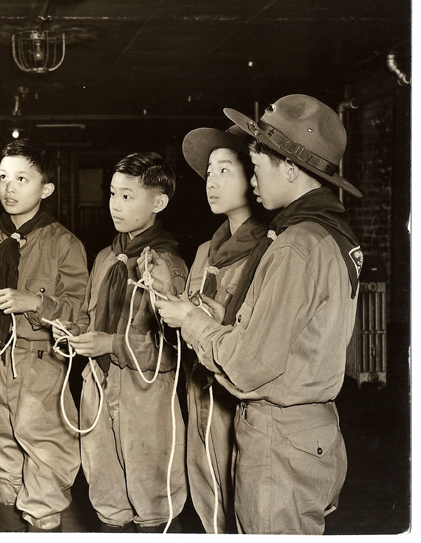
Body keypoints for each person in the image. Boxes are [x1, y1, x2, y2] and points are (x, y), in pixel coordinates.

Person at [155, 95, 363, 534]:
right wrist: (215, 318)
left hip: (278, 438)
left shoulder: (294, 245)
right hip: (312, 431)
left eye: (258, 164)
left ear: (289, 167)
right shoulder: (330, 235)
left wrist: (191, 321)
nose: (253, 179)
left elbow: (250, 366)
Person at [0, 139, 89, 532]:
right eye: (2, 178)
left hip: (41, 369)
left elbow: (79, 318)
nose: (8, 188)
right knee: (2, 473)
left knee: (46, 473)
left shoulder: (65, 245)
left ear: (45, 189)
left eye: (22, 179)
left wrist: (35, 303)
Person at [53, 152, 188, 533]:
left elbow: (169, 349)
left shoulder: (167, 265)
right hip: (98, 383)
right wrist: (72, 332)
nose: (115, 204)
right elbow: (89, 316)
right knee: (107, 494)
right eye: (112, 194)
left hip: (144, 392)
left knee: (153, 496)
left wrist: (110, 344)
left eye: (127, 196)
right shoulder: (105, 258)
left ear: (158, 203)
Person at [175, 124, 269, 533]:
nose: (211, 182)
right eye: (209, 172)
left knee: (243, 503)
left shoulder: (270, 248)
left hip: (239, 398)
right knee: (207, 495)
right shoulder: (203, 251)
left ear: (253, 177)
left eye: (224, 170)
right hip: (199, 391)